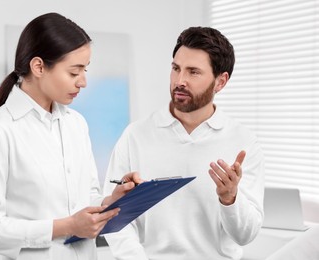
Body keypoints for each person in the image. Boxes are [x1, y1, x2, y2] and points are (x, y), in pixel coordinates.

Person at [0, 12, 140, 260]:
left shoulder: (76, 124)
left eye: (85, 70)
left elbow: (84, 198)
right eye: (74, 72)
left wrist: (110, 200)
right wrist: (65, 227)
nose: (83, 82)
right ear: (38, 67)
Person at [103, 26, 265, 259]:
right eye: (176, 68)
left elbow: (245, 235)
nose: (180, 81)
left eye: (193, 72)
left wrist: (230, 198)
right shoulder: (136, 135)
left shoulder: (243, 142)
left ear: (220, 82)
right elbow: (114, 213)